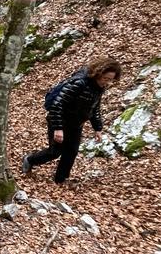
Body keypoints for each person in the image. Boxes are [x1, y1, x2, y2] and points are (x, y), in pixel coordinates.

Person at [22, 57, 122, 185]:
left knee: (71, 152)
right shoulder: (79, 83)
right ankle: (29, 160)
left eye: (110, 80)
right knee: (55, 152)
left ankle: (61, 179)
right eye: (105, 78)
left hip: (76, 124)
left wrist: (98, 128)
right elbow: (57, 105)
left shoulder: (99, 88)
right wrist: (58, 128)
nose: (107, 82)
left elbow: (94, 108)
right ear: (98, 73)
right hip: (59, 121)